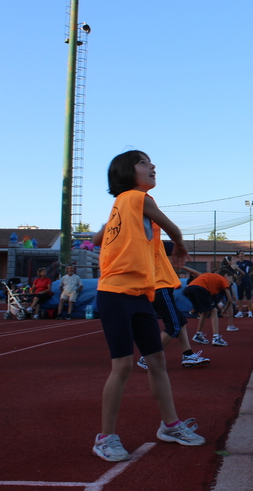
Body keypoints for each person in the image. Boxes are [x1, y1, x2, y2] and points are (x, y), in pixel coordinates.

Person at [92, 149, 204, 463]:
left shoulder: (121, 205)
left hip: (141, 294)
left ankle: (170, 426)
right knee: (124, 365)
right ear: (127, 172)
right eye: (144, 162)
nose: (152, 165)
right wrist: (180, 244)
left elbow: (98, 238)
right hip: (115, 294)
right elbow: (172, 228)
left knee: (156, 362)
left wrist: (113, 233)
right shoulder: (136, 197)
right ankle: (105, 437)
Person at [134, 256, 210, 370]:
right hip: (160, 288)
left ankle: (188, 355)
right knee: (174, 326)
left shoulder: (155, 249)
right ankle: (147, 357)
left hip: (160, 288)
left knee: (180, 321)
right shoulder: (153, 245)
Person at [185, 268, 236, 347]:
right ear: (226, 276)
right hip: (200, 288)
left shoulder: (213, 278)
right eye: (231, 278)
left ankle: (198, 334)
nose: (232, 281)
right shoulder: (223, 280)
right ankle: (216, 337)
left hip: (189, 289)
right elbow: (230, 300)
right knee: (214, 311)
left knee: (206, 311)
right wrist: (225, 310)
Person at [234, 250, 253, 317]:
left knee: (248, 297)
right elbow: (232, 272)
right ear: (238, 255)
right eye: (241, 254)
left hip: (247, 280)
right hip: (239, 281)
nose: (242, 255)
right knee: (240, 297)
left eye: (243, 253)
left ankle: (250, 312)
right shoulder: (236, 263)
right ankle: (240, 312)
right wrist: (236, 276)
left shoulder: (247, 262)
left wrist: (251, 274)